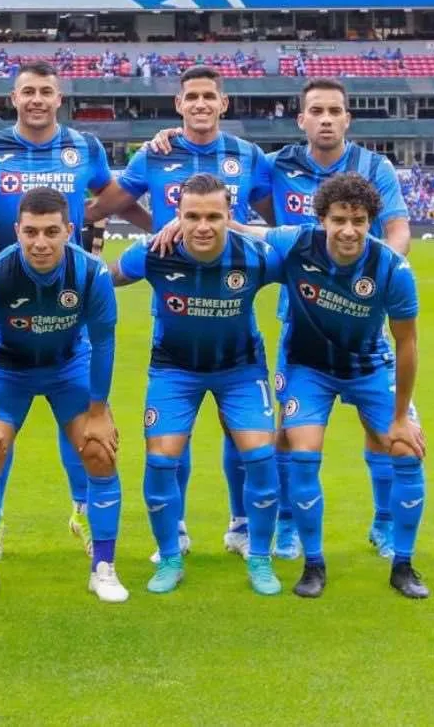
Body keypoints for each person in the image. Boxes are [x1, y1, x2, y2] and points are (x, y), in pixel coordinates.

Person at [0, 60, 151, 559]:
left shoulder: (83, 147)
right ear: (13, 97)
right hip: (5, 302)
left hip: (66, 301)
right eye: (28, 91)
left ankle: (84, 512)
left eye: (46, 91)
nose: (37, 99)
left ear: (59, 97)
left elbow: (112, 197)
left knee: (83, 428)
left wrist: (157, 227)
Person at [87, 64, 274, 560]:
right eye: (191, 97)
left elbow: (280, 221)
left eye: (209, 96)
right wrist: (159, 230)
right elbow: (108, 203)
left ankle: (240, 523)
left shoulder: (247, 155)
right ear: (178, 104)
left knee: (242, 431)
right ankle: (180, 528)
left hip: (232, 297)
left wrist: (243, 235)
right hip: (173, 306)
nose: (200, 105)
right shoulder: (156, 152)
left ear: (223, 103)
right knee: (176, 429)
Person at [237, 173, 428, 599]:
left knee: (407, 449)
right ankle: (313, 564)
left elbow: (407, 343)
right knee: (302, 451)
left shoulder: (393, 269)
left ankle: (404, 565)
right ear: (321, 218)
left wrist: (400, 418)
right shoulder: (296, 242)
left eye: (358, 221)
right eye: (339, 219)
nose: (348, 230)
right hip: (309, 367)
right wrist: (182, 223)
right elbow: (243, 230)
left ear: (370, 222)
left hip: (369, 367)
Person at [110, 174, 283, 597]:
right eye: (192, 216)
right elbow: (101, 276)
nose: (203, 226)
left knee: (261, 455)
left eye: (213, 216)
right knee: (162, 459)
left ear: (229, 217)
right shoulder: (155, 253)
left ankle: (259, 556)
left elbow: (310, 261)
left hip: (241, 370)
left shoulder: (257, 257)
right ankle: (170, 556)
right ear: (176, 217)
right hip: (174, 370)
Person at [267, 78, 412, 560]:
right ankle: (287, 524)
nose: (326, 118)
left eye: (335, 110)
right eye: (316, 110)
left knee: (382, 430)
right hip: (301, 325)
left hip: (362, 321)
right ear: (301, 119)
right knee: (289, 434)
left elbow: (397, 229)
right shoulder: (275, 165)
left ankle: (385, 523)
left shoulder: (376, 167)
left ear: (348, 118)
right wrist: (168, 137)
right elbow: (232, 199)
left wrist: (369, 274)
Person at [0, 187, 126, 604]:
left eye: (51, 232)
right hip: (8, 366)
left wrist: (99, 411)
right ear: (16, 230)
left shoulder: (91, 273)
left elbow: (104, 343)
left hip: (67, 364)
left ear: (69, 230)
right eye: (31, 232)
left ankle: (103, 567)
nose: (40, 242)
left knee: (99, 449)